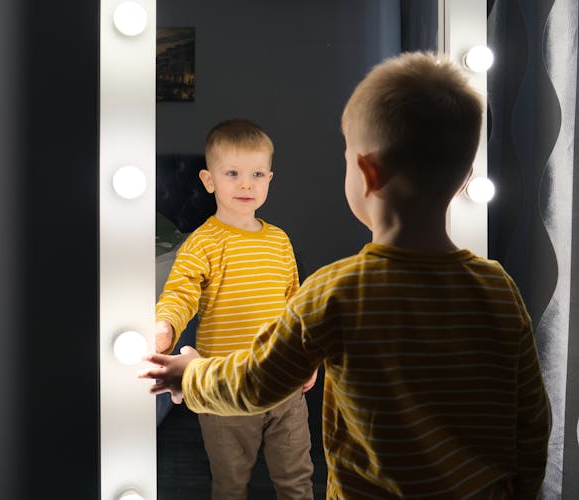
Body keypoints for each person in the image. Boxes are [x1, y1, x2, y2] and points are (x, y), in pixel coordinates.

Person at [141, 52, 551, 499]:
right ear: (466, 176)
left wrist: (190, 375)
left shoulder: (337, 291)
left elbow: (256, 381)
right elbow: (530, 417)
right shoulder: (498, 288)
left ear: (367, 172)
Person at [154, 118, 316, 500]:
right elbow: (181, 292)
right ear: (209, 181)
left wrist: (307, 356)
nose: (246, 184)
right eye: (232, 173)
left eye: (257, 173)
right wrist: (167, 324)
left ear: (270, 179)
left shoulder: (279, 240)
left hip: (282, 380)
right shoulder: (202, 242)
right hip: (223, 384)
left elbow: (297, 306)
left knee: (297, 479)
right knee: (230, 483)